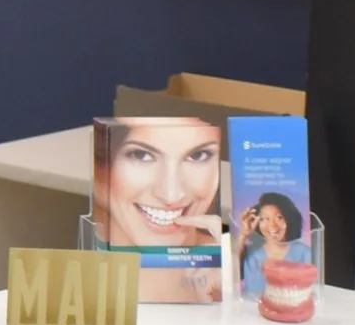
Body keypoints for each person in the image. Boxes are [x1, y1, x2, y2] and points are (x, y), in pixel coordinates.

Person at [95, 117, 224, 304]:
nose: (171, 196)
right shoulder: (73, 284)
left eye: (198, 156)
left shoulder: (235, 276)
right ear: (101, 169)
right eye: (140, 155)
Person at [238, 191, 312, 298]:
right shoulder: (252, 252)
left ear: (289, 218)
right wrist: (244, 234)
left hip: (289, 310)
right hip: (249, 310)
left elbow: (307, 290)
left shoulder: (304, 253)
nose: (272, 225)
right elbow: (230, 274)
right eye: (265, 219)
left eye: (279, 217)